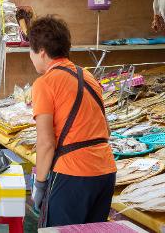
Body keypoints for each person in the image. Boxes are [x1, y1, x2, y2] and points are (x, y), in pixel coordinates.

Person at [29, 16, 116, 228]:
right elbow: (107, 129)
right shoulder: (87, 75)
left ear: (41, 51)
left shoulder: (44, 83)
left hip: (74, 175)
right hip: (105, 173)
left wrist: (39, 185)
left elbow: (46, 143)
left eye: (30, 51)